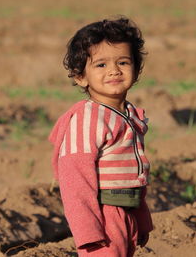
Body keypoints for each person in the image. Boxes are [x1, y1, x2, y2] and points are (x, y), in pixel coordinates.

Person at [48, 17, 153, 257]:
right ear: (80, 77)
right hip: (104, 218)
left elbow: (135, 176)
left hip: (126, 213)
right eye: (101, 65)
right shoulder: (88, 119)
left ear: (136, 70)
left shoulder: (127, 115)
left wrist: (141, 221)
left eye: (123, 62)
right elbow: (75, 181)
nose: (114, 70)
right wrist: (88, 231)